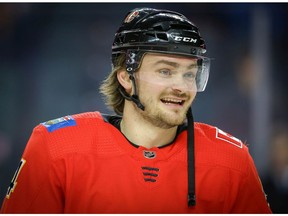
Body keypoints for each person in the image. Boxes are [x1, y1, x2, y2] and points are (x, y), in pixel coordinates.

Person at [0, 7, 271, 213]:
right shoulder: (56, 148)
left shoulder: (231, 161)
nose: (182, 86)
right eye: (166, 71)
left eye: (190, 74)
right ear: (126, 77)